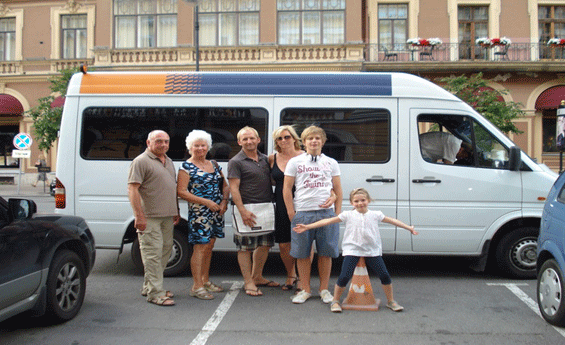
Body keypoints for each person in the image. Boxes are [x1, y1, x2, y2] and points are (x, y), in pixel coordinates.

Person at [293, 188, 418, 313]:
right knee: (344, 277)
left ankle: (391, 301)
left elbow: (392, 220)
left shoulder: (376, 214)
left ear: (368, 200)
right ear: (352, 203)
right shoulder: (348, 215)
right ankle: (335, 301)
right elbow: (328, 221)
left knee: (384, 275)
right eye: (356, 201)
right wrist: (307, 227)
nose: (360, 203)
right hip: (352, 250)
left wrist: (409, 228)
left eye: (363, 200)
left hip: (372, 251)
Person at [283, 125, 343, 304]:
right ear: (304, 142)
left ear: (323, 141)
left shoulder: (331, 162)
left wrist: (337, 214)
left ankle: (324, 289)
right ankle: (305, 289)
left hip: (326, 214)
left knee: (325, 253)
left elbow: (338, 189)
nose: (314, 141)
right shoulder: (295, 162)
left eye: (317, 138)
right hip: (303, 213)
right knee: (302, 254)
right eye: (310, 138)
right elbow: (287, 188)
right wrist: (291, 212)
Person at [127, 130, 180, 306]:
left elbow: (171, 188)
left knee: (165, 251)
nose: (163, 145)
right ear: (149, 143)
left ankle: (149, 286)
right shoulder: (141, 161)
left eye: (166, 141)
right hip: (149, 217)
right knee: (152, 255)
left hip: (167, 216)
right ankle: (155, 293)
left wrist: (176, 210)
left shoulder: (169, 161)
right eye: (159, 141)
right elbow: (133, 189)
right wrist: (138, 215)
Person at [228, 126, 280, 297]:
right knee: (245, 248)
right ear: (239, 142)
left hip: (265, 207)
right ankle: (248, 282)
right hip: (247, 209)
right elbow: (233, 188)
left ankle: (257, 276)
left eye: (252, 138)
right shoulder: (236, 161)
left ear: (258, 140)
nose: (249, 141)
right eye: (245, 139)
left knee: (265, 245)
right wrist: (242, 211)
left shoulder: (266, 159)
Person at [178, 130, 229, 300]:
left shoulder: (214, 164)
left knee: (209, 247)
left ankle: (205, 281)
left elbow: (225, 186)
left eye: (203, 145)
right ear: (190, 147)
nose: (200, 148)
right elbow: (182, 192)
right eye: (196, 145)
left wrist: (224, 202)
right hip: (200, 214)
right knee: (200, 248)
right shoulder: (186, 166)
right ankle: (196, 286)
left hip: (216, 212)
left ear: (208, 147)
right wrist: (206, 202)